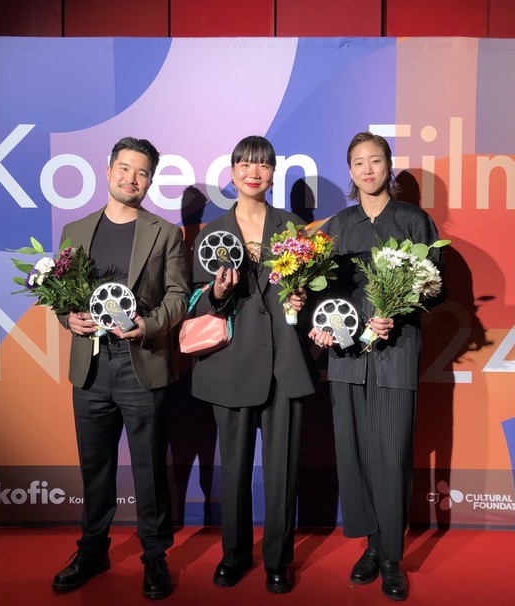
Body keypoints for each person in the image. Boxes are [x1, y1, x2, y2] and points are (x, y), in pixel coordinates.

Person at [52, 137, 190, 599]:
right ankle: (92, 550)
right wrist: (66, 317)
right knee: (95, 467)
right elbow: (62, 293)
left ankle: (155, 555)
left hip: (141, 363)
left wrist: (149, 326)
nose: (132, 179)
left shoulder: (165, 233)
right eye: (125, 169)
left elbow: (178, 296)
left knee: (149, 468)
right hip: (90, 367)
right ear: (109, 170)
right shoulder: (75, 229)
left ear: (150, 180)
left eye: (142, 172)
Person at [309, 132, 444, 602]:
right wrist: (320, 327)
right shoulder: (338, 225)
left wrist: (399, 311)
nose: (367, 170)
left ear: (389, 165)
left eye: (375, 161)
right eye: (358, 163)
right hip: (346, 357)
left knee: (392, 455)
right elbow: (320, 292)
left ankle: (391, 556)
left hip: (396, 353)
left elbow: (436, 286)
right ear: (350, 171)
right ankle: (369, 545)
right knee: (355, 454)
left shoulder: (413, 220)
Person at [189, 135, 315, 594]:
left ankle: (278, 560)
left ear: (273, 172)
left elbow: (312, 292)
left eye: (262, 164)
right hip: (231, 365)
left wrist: (302, 298)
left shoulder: (293, 228)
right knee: (235, 470)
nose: (253, 172)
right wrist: (218, 293)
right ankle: (235, 554)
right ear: (233, 172)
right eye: (245, 163)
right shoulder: (212, 232)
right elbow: (195, 301)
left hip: (284, 366)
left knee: (282, 475)